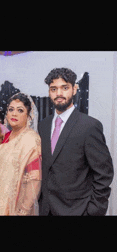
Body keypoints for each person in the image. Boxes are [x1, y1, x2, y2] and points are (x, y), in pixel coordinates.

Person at [38, 67, 114, 216]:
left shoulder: (89, 126)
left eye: (64, 88)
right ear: (49, 92)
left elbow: (104, 174)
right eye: (53, 89)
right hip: (46, 209)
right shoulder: (43, 125)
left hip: (78, 210)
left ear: (74, 89)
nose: (59, 93)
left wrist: (93, 211)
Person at [0, 93, 42, 216]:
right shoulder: (7, 137)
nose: (14, 114)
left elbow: (35, 179)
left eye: (20, 110)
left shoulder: (31, 139)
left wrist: (24, 209)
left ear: (28, 116)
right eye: (11, 109)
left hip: (18, 205)